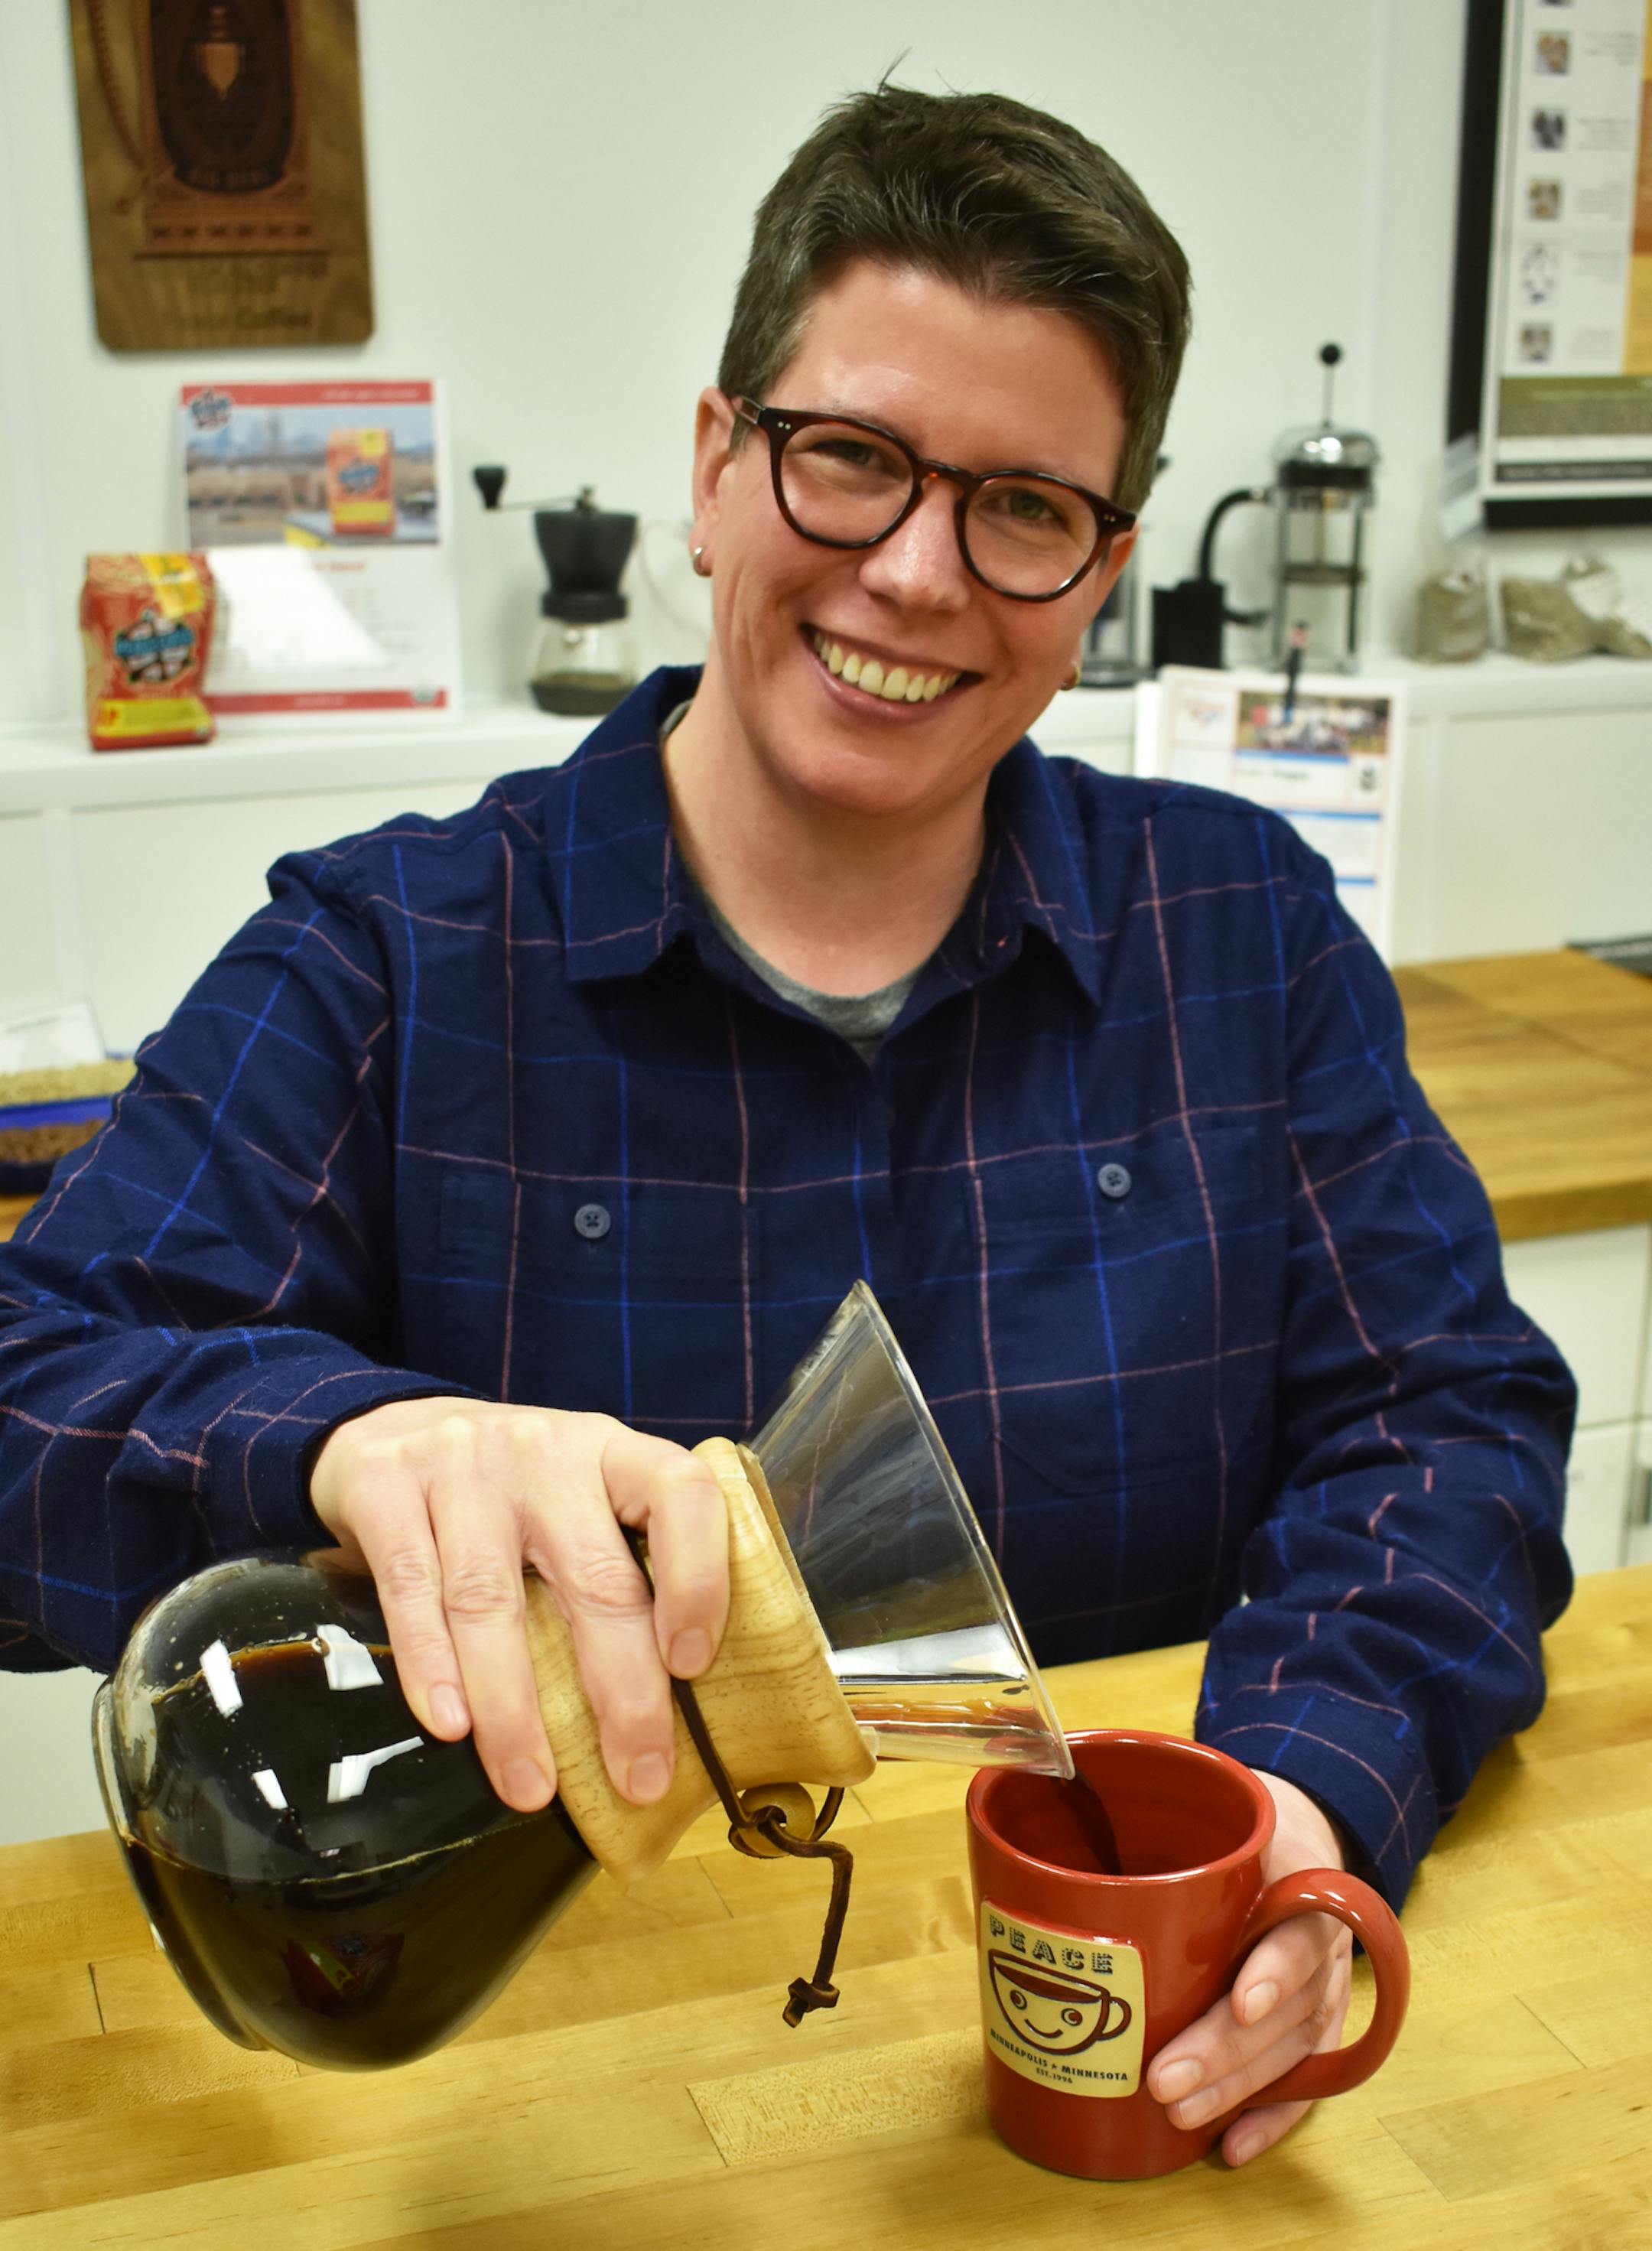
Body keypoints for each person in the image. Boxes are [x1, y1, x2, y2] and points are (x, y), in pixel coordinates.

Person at [0, 85, 1572, 2165]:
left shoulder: (1242, 931)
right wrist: (348, 1441)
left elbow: (1447, 1423)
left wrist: (1300, 1791)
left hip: (1104, 2087)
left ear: (1104, 567)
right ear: (717, 467)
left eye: (1024, 509)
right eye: (851, 461)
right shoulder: (387, 956)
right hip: (556, 2120)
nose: (918, 575)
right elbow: (30, 1401)